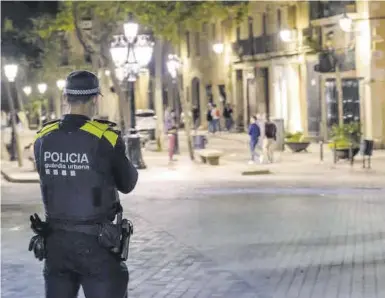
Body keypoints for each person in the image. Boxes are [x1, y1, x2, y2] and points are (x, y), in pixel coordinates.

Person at [31, 70, 138, 298]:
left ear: (65, 98)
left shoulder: (43, 138)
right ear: (95, 100)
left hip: (56, 245)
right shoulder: (105, 138)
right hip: (97, 246)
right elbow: (128, 183)